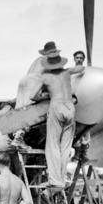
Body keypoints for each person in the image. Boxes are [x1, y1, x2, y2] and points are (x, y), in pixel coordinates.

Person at [37, 52, 84, 191]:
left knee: (53, 145)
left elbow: (34, 95)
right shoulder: (67, 72)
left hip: (56, 107)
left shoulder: (45, 76)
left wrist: (46, 94)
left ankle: (56, 180)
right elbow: (81, 69)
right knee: (65, 147)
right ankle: (62, 179)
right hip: (70, 108)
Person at [10, 41, 62, 148]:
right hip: (35, 82)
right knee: (30, 110)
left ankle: (16, 136)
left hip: (25, 80)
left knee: (21, 109)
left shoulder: (38, 60)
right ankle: (19, 139)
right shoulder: (50, 61)